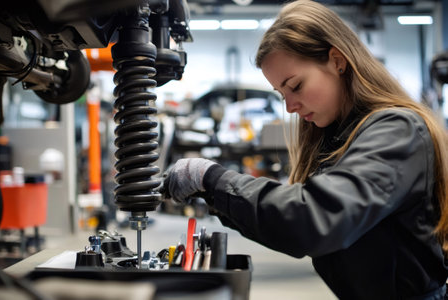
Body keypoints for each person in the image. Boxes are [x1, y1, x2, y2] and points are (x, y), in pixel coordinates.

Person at [163, 0, 448, 298]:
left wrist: (212, 178)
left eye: (295, 86)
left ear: (337, 61)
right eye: (281, 92)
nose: (289, 105)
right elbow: (288, 222)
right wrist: (213, 197)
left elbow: (313, 218)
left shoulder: (396, 130)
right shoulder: (336, 136)